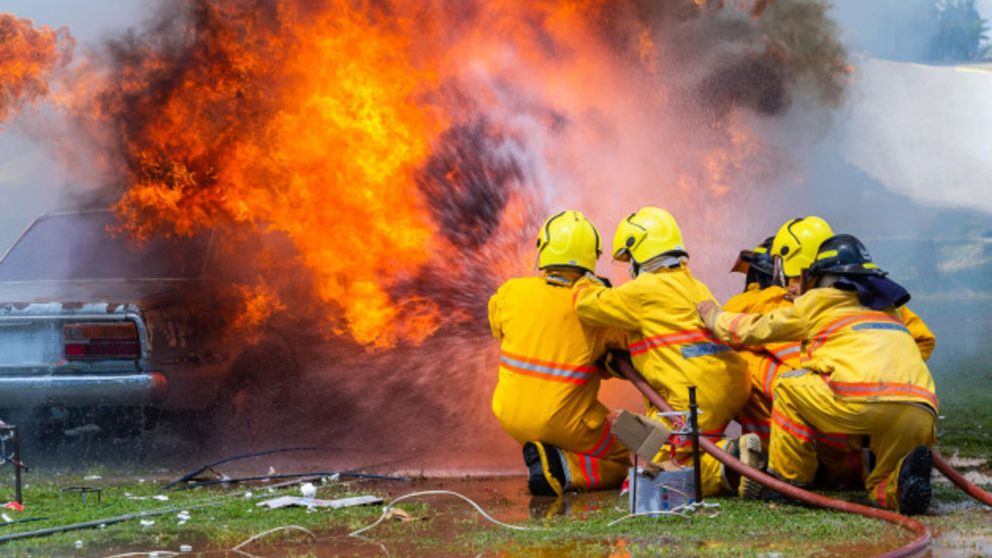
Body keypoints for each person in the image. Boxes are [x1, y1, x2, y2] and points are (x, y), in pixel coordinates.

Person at [698, 234, 938, 515]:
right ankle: (901, 488)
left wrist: (714, 316)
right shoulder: (888, 309)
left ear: (824, 277)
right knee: (884, 479)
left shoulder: (820, 302)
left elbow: (756, 328)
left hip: (859, 401)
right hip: (921, 407)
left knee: (788, 387)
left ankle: (789, 482)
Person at [571, 207, 753, 497]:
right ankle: (724, 454)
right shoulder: (695, 285)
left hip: (691, 393)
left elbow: (587, 306)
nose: (629, 266)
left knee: (648, 449)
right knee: (654, 430)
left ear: (639, 251)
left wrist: (583, 280)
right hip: (727, 385)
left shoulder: (645, 289)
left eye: (629, 258)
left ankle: (728, 465)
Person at [488, 210, 630, 496]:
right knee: (622, 457)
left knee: (589, 418)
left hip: (508, 415)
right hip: (564, 424)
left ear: (543, 248)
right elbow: (624, 351)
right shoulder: (595, 309)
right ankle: (562, 467)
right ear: (593, 256)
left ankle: (548, 456)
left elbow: (498, 327)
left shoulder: (510, 292)